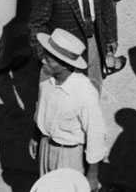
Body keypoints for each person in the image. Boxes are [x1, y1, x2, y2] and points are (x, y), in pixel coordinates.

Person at [33, 26, 111, 182]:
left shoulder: (85, 91)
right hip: (45, 145)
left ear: (64, 64)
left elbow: (95, 133)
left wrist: (93, 174)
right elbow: (40, 106)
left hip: (69, 156)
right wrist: (35, 136)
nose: (43, 60)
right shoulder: (45, 74)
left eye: (49, 58)